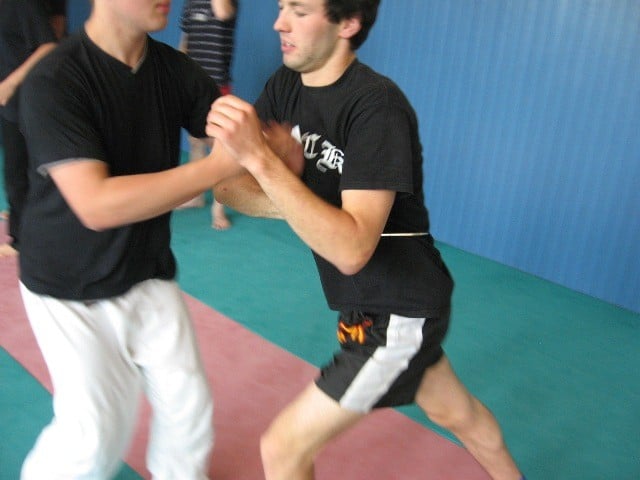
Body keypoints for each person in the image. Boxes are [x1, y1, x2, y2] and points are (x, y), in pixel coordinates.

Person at [208, 1, 526, 479]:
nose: (279, 23)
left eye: (299, 10)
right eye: (281, 6)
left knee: (282, 449)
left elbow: (352, 249)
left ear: (348, 23)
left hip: (399, 308)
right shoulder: (286, 86)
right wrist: (288, 189)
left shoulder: (376, 107)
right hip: (364, 305)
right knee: (459, 416)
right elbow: (228, 187)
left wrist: (269, 167)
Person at [16, 0, 246, 477]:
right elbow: (96, 205)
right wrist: (216, 169)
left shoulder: (173, 70)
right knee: (95, 436)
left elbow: (235, 136)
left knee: (189, 407)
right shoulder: (55, 79)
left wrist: (273, 145)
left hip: (146, 269)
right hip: (68, 286)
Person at [0, 0, 58, 257]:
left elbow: (48, 46)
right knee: (15, 172)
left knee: (27, 172)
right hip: (9, 103)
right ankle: (21, 236)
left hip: (28, 100)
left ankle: (25, 241)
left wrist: (12, 83)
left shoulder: (20, 3)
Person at [178, 0, 238, 230]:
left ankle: (219, 207)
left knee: (220, 146)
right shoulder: (190, 4)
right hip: (192, 80)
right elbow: (185, 40)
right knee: (195, 141)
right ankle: (196, 196)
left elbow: (223, 13)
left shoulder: (226, 3)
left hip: (215, 85)